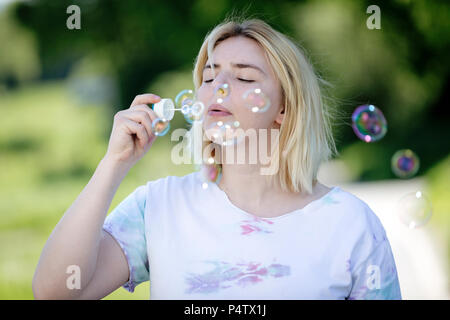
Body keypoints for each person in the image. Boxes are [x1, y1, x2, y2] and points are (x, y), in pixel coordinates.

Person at [32, 18, 402, 300]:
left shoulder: (351, 224)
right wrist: (112, 165)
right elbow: (55, 292)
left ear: (285, 108)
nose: (217, 89)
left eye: (242, 77)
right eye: (209, 77)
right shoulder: (158, 207)